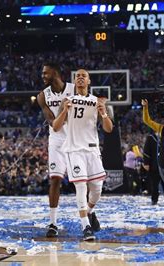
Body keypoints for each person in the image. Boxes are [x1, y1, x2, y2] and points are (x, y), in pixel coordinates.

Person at [52, 69, 113, 241]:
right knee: (81, 186)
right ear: (75, 82)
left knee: (97, 189)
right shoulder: (67, 100)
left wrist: (104, 113)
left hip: (92, 150)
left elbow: (108, 129)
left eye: (83, 76)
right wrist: (64, 111)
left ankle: (90, 211)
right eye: (77, 76)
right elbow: (56, 127)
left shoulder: (96, 101)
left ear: (88, 81)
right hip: (74, 149)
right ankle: (85, 225)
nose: (80, 78)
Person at [36, 63, 75, 237]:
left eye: (46, 73)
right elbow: (53, 123)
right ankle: (52, 223)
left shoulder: (75, 89)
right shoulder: (42, 96)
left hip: (76, 138)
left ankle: (89, 214)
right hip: (57, 139)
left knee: (83, 182)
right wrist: (63, 110)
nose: (43, 75)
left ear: (55, 72)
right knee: (55, 180)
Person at [142, 133, 164, 205]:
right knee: (154, 184)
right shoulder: (151, 137)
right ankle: (154, 199)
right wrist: (146, 163)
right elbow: (146, 150)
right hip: (154, 165)